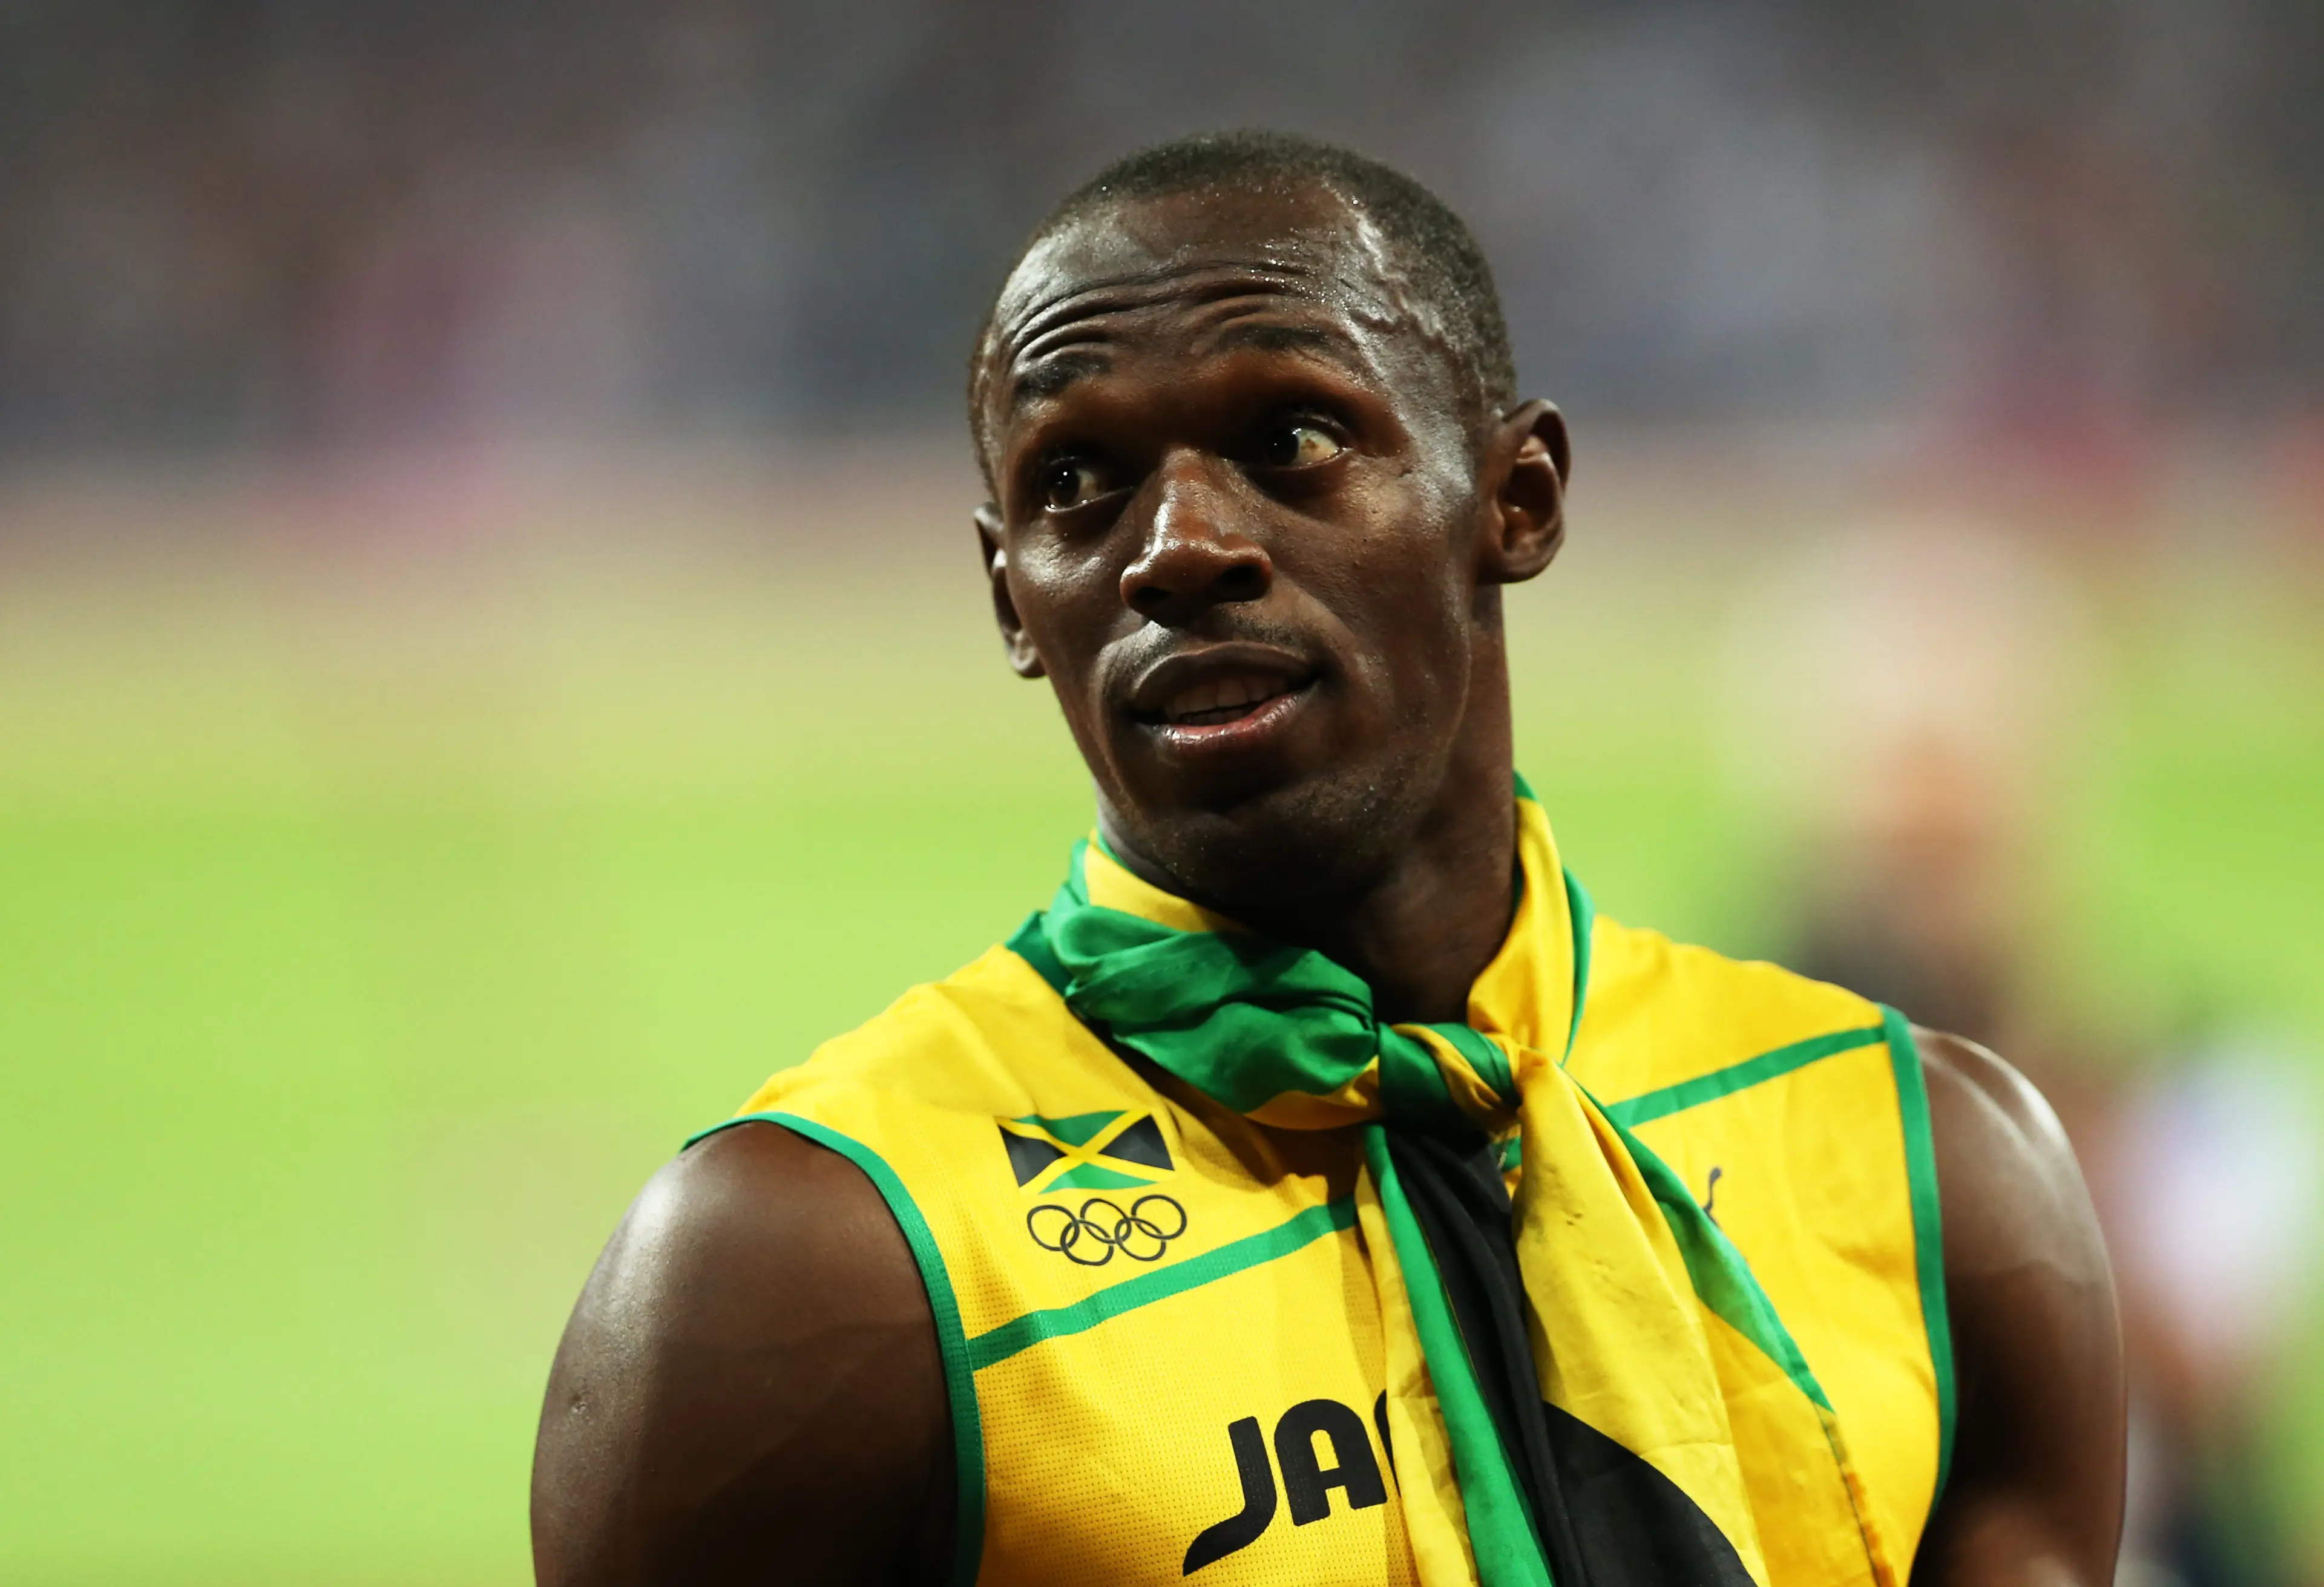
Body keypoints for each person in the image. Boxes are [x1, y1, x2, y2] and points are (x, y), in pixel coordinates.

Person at [531, 131, 2124, 1587]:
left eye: (1290, 437)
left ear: (1518, 498)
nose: (1179, 548)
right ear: (1011, 596)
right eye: (1075, 483)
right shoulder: (816, 1272)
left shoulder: (1930, 1168)